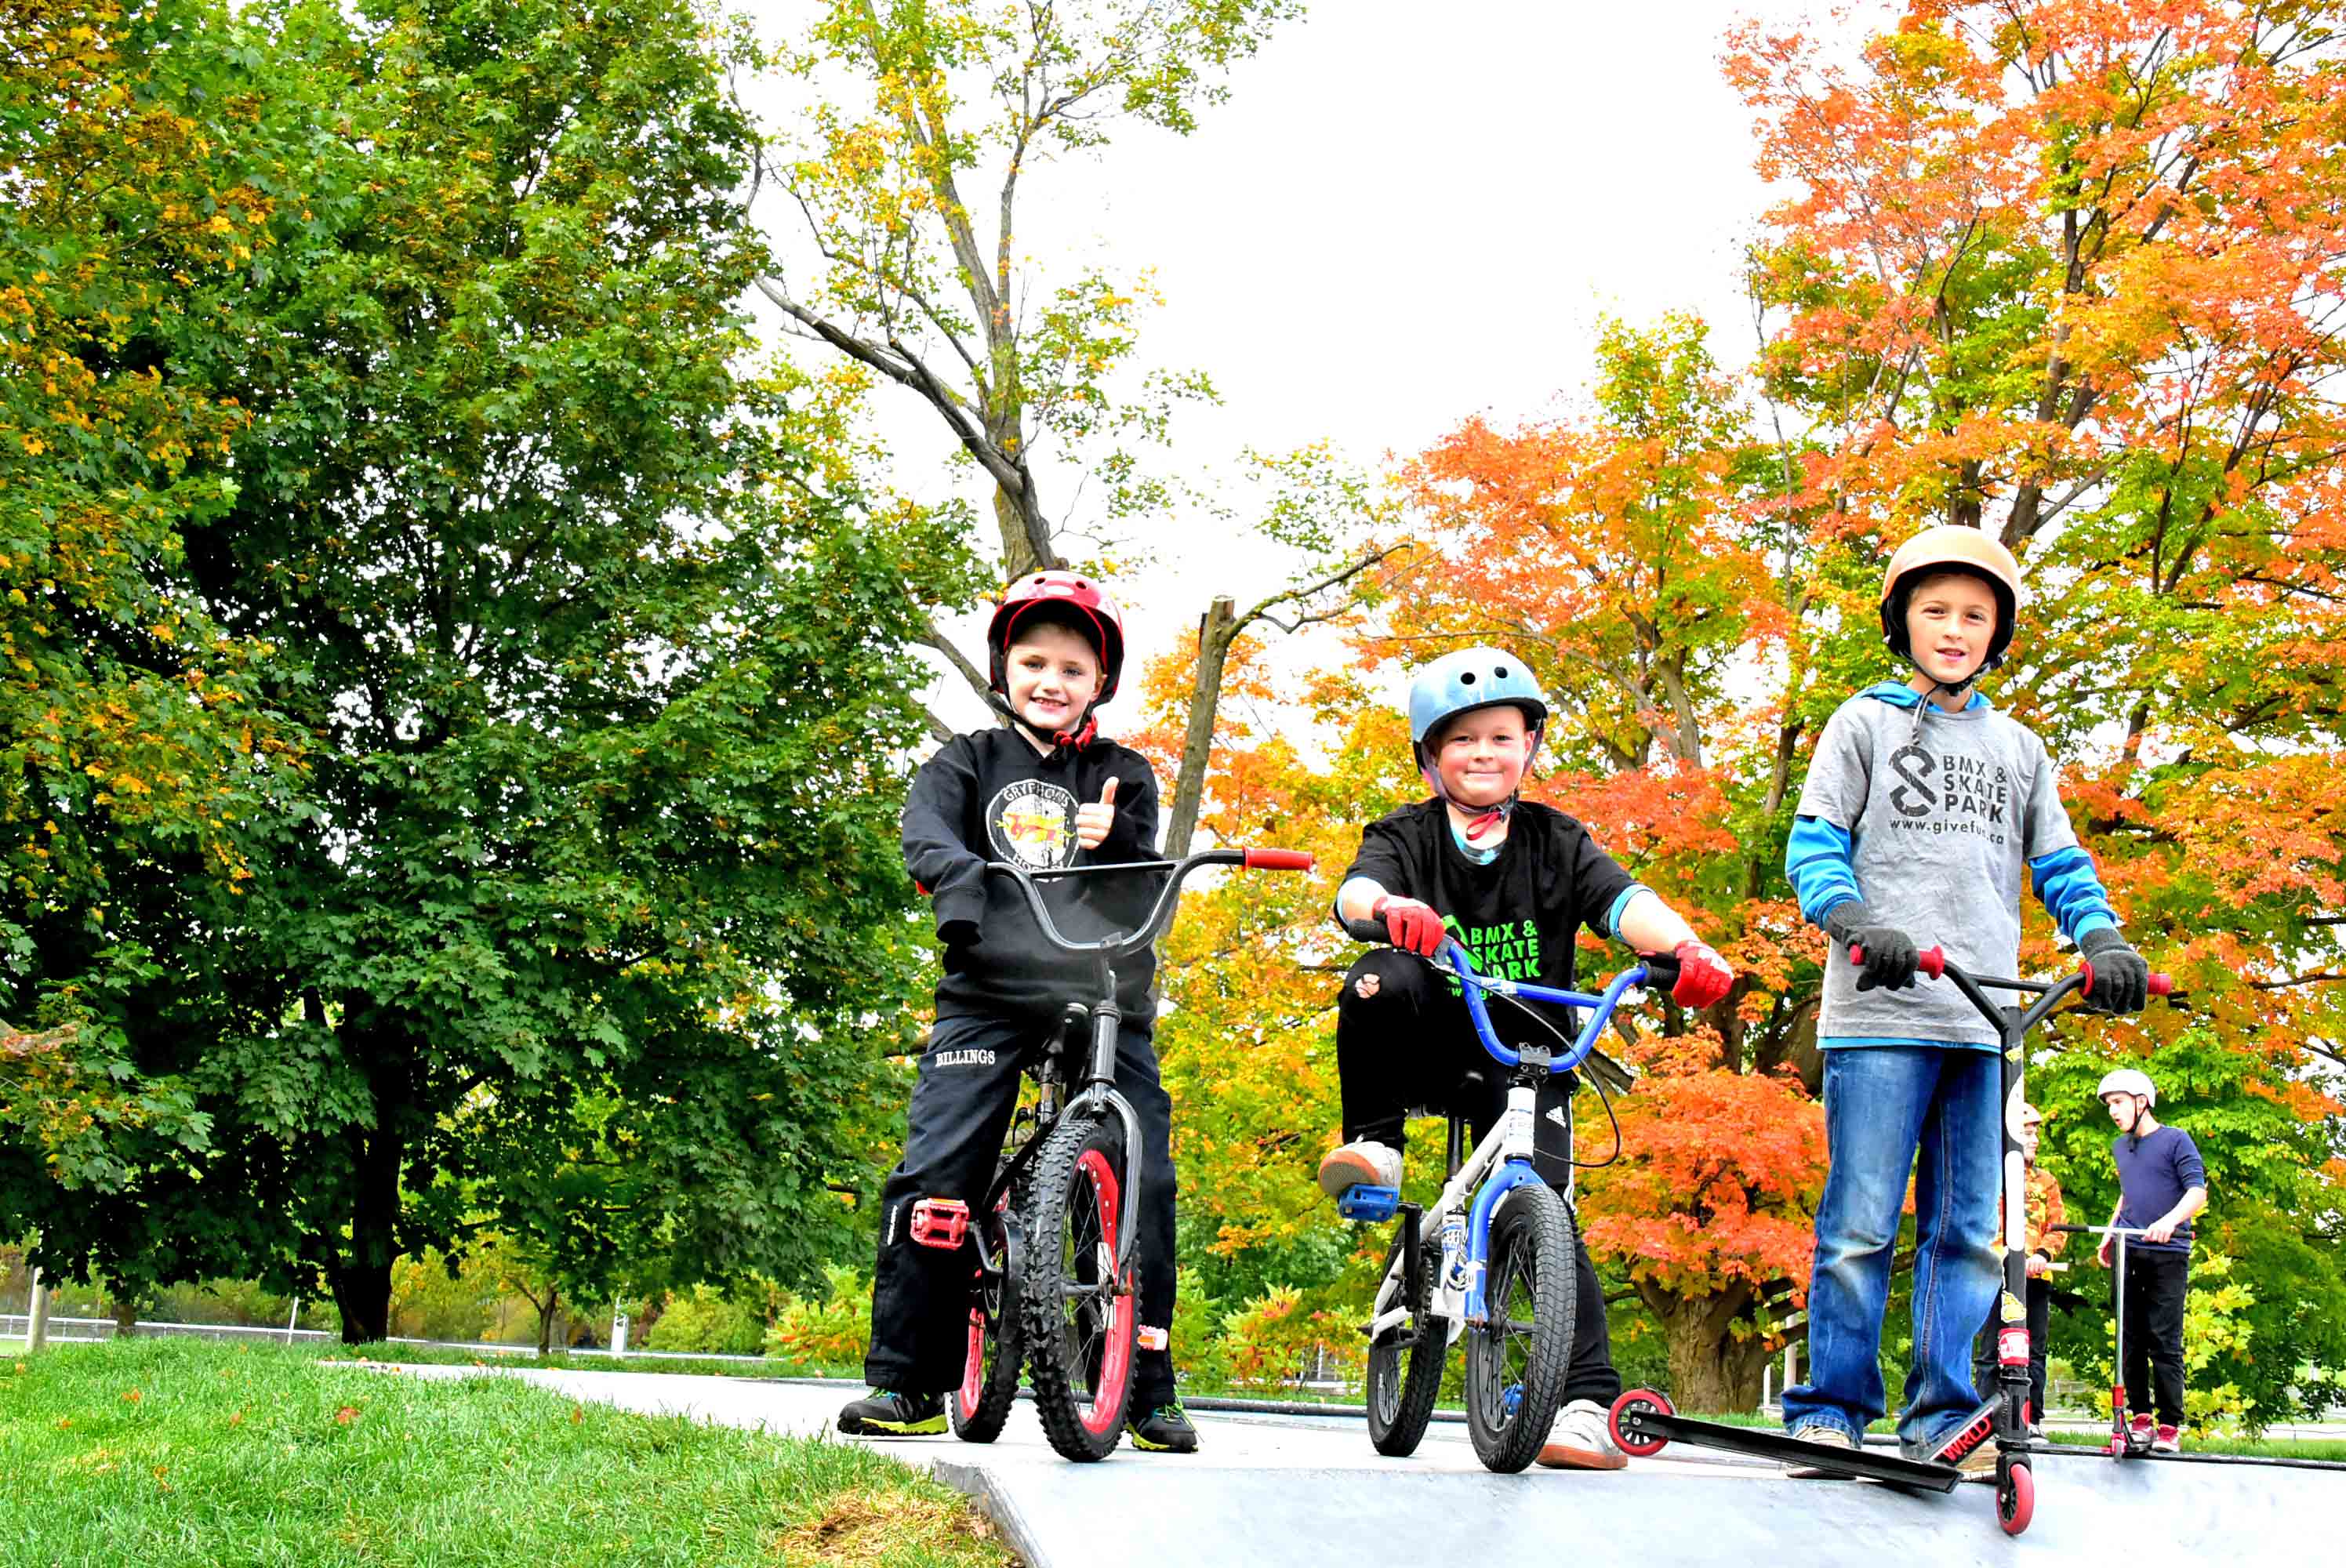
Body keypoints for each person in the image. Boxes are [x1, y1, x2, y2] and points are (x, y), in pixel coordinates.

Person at [1778, 525, 2152, 1479]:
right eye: (1935, 611)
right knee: (1861, 1222)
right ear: (1901, 623)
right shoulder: (1859, 723)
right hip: (1879, 1009)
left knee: (1970, 1236)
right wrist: (1857, 919)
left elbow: (2060, 862)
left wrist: (2101, 937)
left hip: (1988, 1020)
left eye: (1974, 615)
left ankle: (1946, 1413)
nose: (1954, 628)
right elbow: (1813, 846)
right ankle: (1831, 1409)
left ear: (1998, 633)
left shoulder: (2019, 746)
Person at [1316, 646, 1735, 1472]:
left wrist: (1685, 944)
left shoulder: (1556, 839)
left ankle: (1583, 1400)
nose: (1482, 752)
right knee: (1374, 979)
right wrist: (1392, 908)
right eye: (1462, 738)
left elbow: (1624, 901)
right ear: (1430, 756)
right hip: (1432, 1039)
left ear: (1528, 748)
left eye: (1501, 736)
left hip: (1530, 1051)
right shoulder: (1404, 834)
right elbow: (1351, 894)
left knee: (1551, 1213)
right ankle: (1377, 1147)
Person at [837, 572, 1200, 1453]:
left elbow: (1140, 894)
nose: (1051, 678)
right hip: (989, 992)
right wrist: (961, 886)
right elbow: (926, 833)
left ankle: (1144, 1382)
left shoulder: (1123, 776)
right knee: (938, 1172)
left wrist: (1113, 846)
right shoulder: (964, 760)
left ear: (1098, 682)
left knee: (1141, 1174)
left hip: (1101, 993)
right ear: (1005, 668)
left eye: (1072, 666)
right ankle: (909, 1377)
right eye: (1033, 660)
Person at [2096, 1066, 2205, 1454]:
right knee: (2129, 1338)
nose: (2113, 1111)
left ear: (2142, 1102)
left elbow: (2197, 1192)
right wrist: (2109, 1235)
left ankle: (2170, 1425)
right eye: (2110, 1104)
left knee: (2163, 1338)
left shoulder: (2176, 1140)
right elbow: (2127, 1195)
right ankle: (2139, 1419)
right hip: (2131, 1249)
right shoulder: (2120, 1147)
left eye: (2119, 1102)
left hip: (2168, 1251)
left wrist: (2168, 1221)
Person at [1970, 1102, 2064, 1436]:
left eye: (2037, 1131)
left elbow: (2058, 1226)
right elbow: (1981, 1224)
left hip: (2036, 1278)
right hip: (1997, 1276)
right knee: (1991, 1348)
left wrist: (2042, 1254)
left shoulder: (2046, 1181)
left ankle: (2032, 1418)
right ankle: (1984, 1420)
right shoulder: (1992, 1176)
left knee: (2033, 1349)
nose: (2035, 1138)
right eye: (2027, 1131)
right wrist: (2003, 1255)